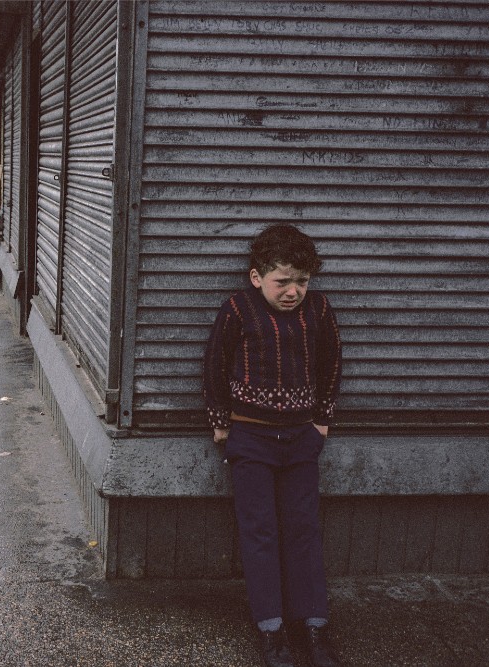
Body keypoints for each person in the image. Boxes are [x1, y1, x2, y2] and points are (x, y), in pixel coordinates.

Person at [202, 224, 343, 667]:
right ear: (256, 276)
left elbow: (332, 363)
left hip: (300, 439)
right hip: (251, 439)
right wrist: (222, 423)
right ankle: (272, 629)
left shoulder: (318, 311)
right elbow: (214, 366)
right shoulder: (237, 310)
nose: (293, 291)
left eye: (302, 281)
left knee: (303, 531)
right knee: (260, 531)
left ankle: (315, 627)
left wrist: (321, 420)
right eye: (283, 281)